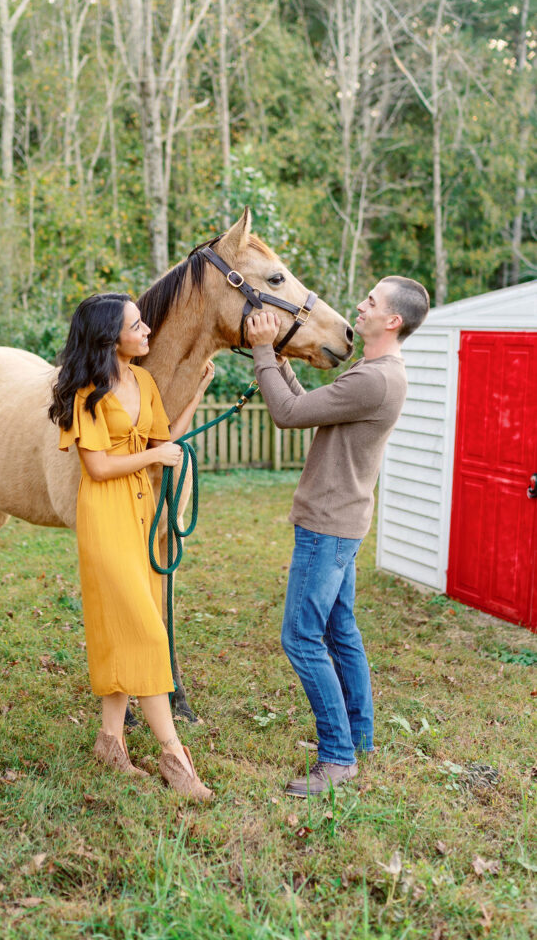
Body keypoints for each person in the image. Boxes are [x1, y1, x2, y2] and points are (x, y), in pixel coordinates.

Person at [246, 276, 430, 797]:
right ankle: (361, 736)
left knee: (301, 638)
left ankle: (337, 758)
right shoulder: (375, 374)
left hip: (327, 526)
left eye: (371, 302)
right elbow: (308, 407)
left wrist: (261, 348)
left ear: (392, 321)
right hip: (343, 521)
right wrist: (278, 358)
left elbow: (286, 414)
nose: (360, 305)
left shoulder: (373, 379)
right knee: (339, 632)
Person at [49, 293, 215, 801]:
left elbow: (162, 442)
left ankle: (110, 741)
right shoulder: (84, 394)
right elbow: (97, 467)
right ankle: (173, 755)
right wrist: (155, 456)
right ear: (109, 338)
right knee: (146, 630)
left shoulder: (142, 381)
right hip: (104, 516)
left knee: (125, 627)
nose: (146, 331)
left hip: (141, 513)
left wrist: (198, 395)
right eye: (137, 325)